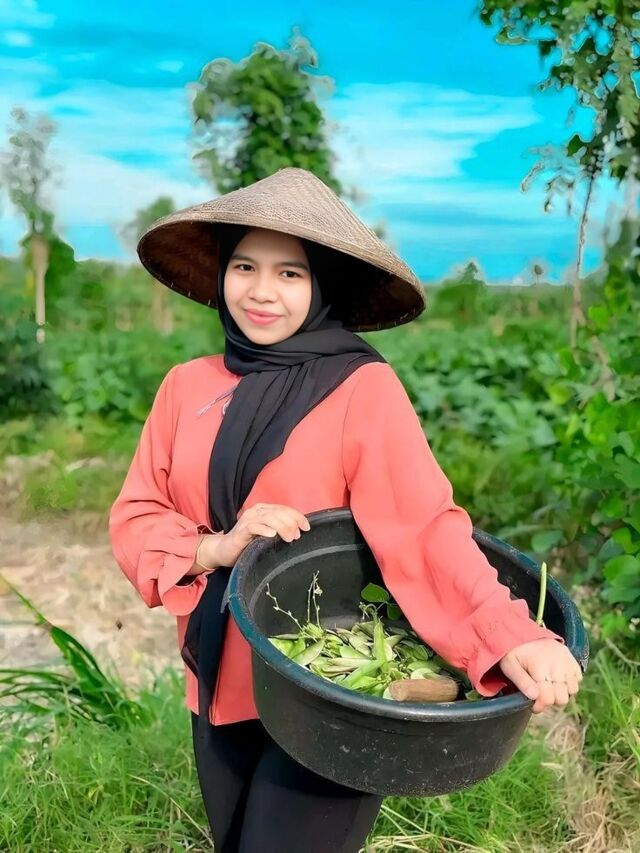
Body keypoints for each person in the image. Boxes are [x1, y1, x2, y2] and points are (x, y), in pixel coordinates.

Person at [108, 167, 583, 853]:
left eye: (290, 273)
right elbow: (139, 512)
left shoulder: (361, 387)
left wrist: (509, 633)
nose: (261, 291)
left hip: (331, 687)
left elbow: (422, 527)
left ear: (321, 284)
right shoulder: (187, 387)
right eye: (244, 266)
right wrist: (216, 547)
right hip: (219, 675)